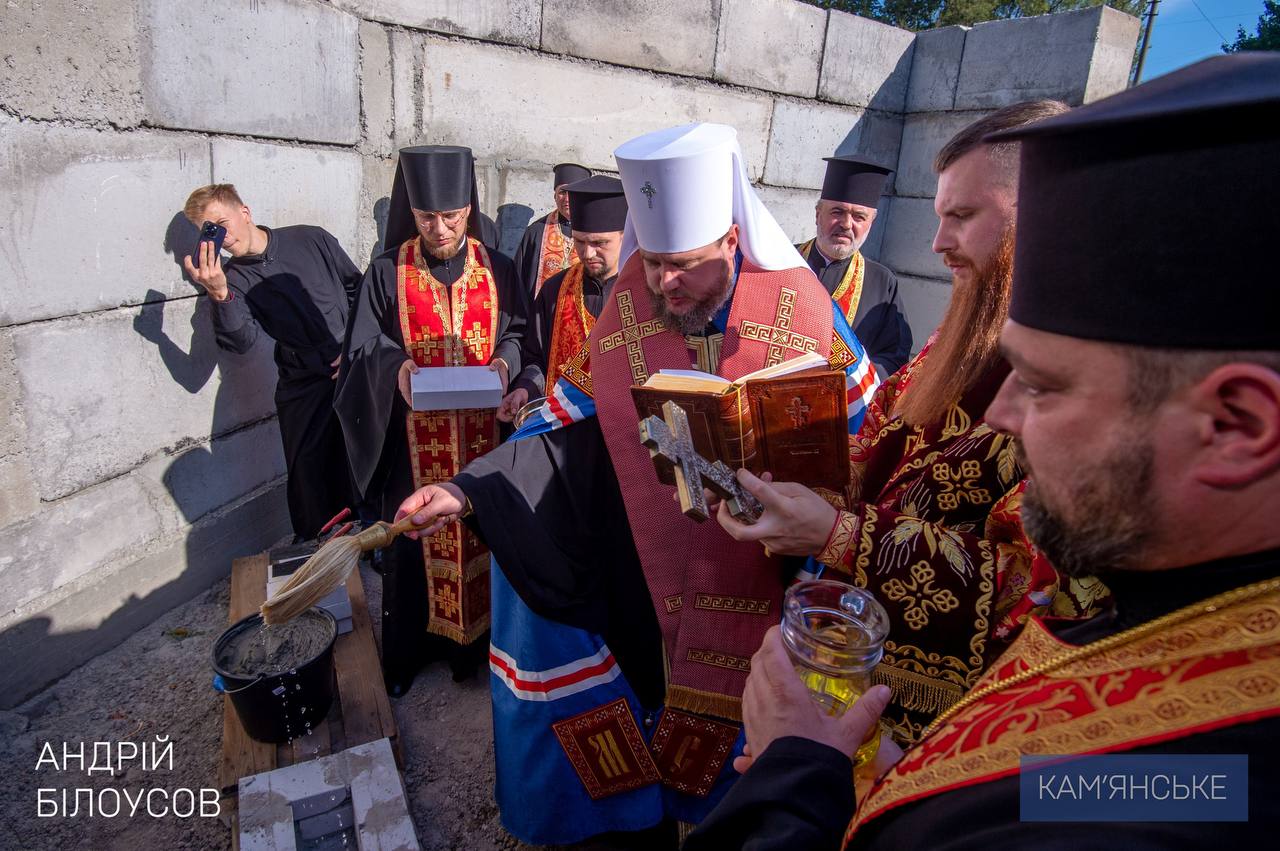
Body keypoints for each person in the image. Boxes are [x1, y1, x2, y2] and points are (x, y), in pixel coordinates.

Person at [686, 53, 1280, 850]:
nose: (1001, 410)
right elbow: (1013, 779)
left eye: (1043, 384)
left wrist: (799, 779)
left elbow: (1026, 793)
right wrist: (902, 770)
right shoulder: (1161, 645)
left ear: (1238, 425)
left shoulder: (1215, 780)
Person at [394, 123, 879, 844]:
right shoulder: (627, 305)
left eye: (682, 265)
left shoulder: (804, 312)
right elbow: (559, 427)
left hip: (767, 576)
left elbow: (869, 442)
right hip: (647, 577)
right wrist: (468, 489)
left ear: (731, 243)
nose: (661, 284)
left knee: (748, 761)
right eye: (651, 263)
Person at [714, 100, 1109, 745]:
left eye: (962, 216)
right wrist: (770, 472)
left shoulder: (1097, 379)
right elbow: (878, 440)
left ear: (1047, 211)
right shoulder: (964, 333)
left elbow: (1042, 591)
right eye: (939, 216)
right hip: (860, 652)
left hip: (951, 723)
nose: (938, 243)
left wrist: (845, 538)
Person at [334, 145, 525, 692]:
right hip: (413, 444)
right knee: (413, 543)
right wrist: (397, 371)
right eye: (425, 217)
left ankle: (475, 656)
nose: (439, 229)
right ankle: (409, 655)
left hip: (484, 441)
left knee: (482, 539)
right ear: (411, 213)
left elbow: (518, 335)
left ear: (468, 207)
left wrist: (505, 365)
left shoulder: (500, 269)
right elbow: (365, 347)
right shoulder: (386, 272)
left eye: (452, 215)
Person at [181, 183, 359, 541]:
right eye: (208, 230)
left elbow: (358, 288)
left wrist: (359, 347)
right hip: (303, 379)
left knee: (364, 459)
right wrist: (218, 293)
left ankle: (372, 539)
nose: (221, 235)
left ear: (244, 212)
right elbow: (241, 342)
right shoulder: (231, 279)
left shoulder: (310, 238)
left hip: (355, 364)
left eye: (221, 221)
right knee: (307, 472)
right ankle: (315, 553)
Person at [499, 174, 627, 422]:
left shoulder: (647, 292)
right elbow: (536, 359)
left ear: (625, 236)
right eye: (580, 242)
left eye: (600, 243)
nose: (588, 253)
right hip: (565, 429)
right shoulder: (555, 289)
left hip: (624, 431)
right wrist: (525, 388)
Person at [796, 156, 911, 377]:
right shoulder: (781, 260)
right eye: (837, 212)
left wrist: (853, 380)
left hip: (844, 404)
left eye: (859, 216)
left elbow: (894, 356)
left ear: (871, 223)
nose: (847, 224)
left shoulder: (882, 282)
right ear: (818, 214)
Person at [512, 162, 594, 299]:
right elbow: (518, 284)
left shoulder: (598, 233)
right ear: (554, 196)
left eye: (573, 192)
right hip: (542, 315)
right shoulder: (536, 233)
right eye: (562, 192)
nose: (567, 199)